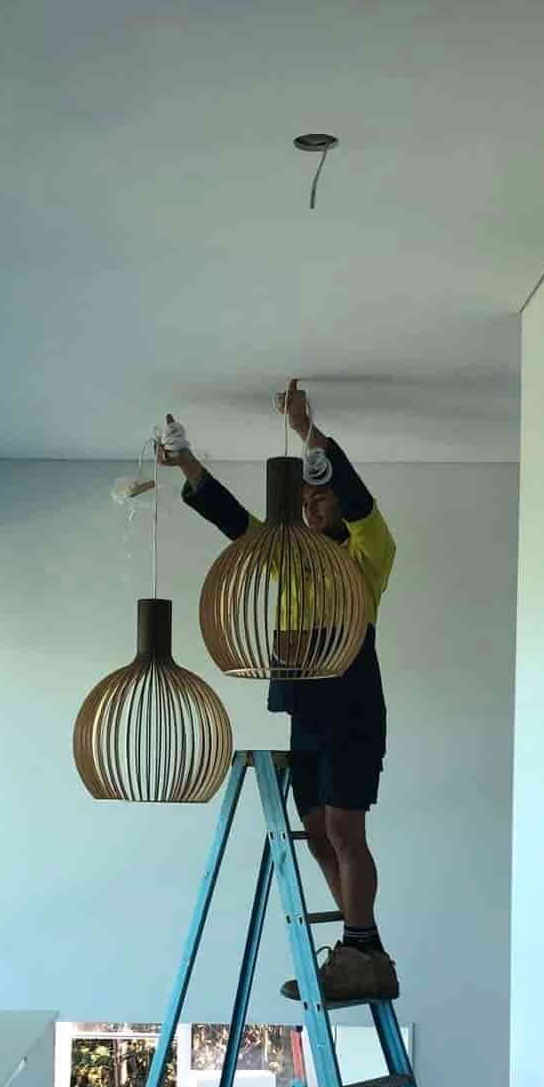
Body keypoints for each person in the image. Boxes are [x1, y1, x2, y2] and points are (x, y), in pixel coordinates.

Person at [156, 380, 399, 1005]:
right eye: (307, 498)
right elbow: (233, 519)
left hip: (351, 704)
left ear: (341, 506)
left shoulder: (368, 554)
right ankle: (357, 949)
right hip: (303, 707)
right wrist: (185, 459)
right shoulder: (289, 556)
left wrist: (306, 432)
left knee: (346, 830)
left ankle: (364, 948)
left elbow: (362, 501)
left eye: (324, 497)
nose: (315, 505)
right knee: (317, 834)